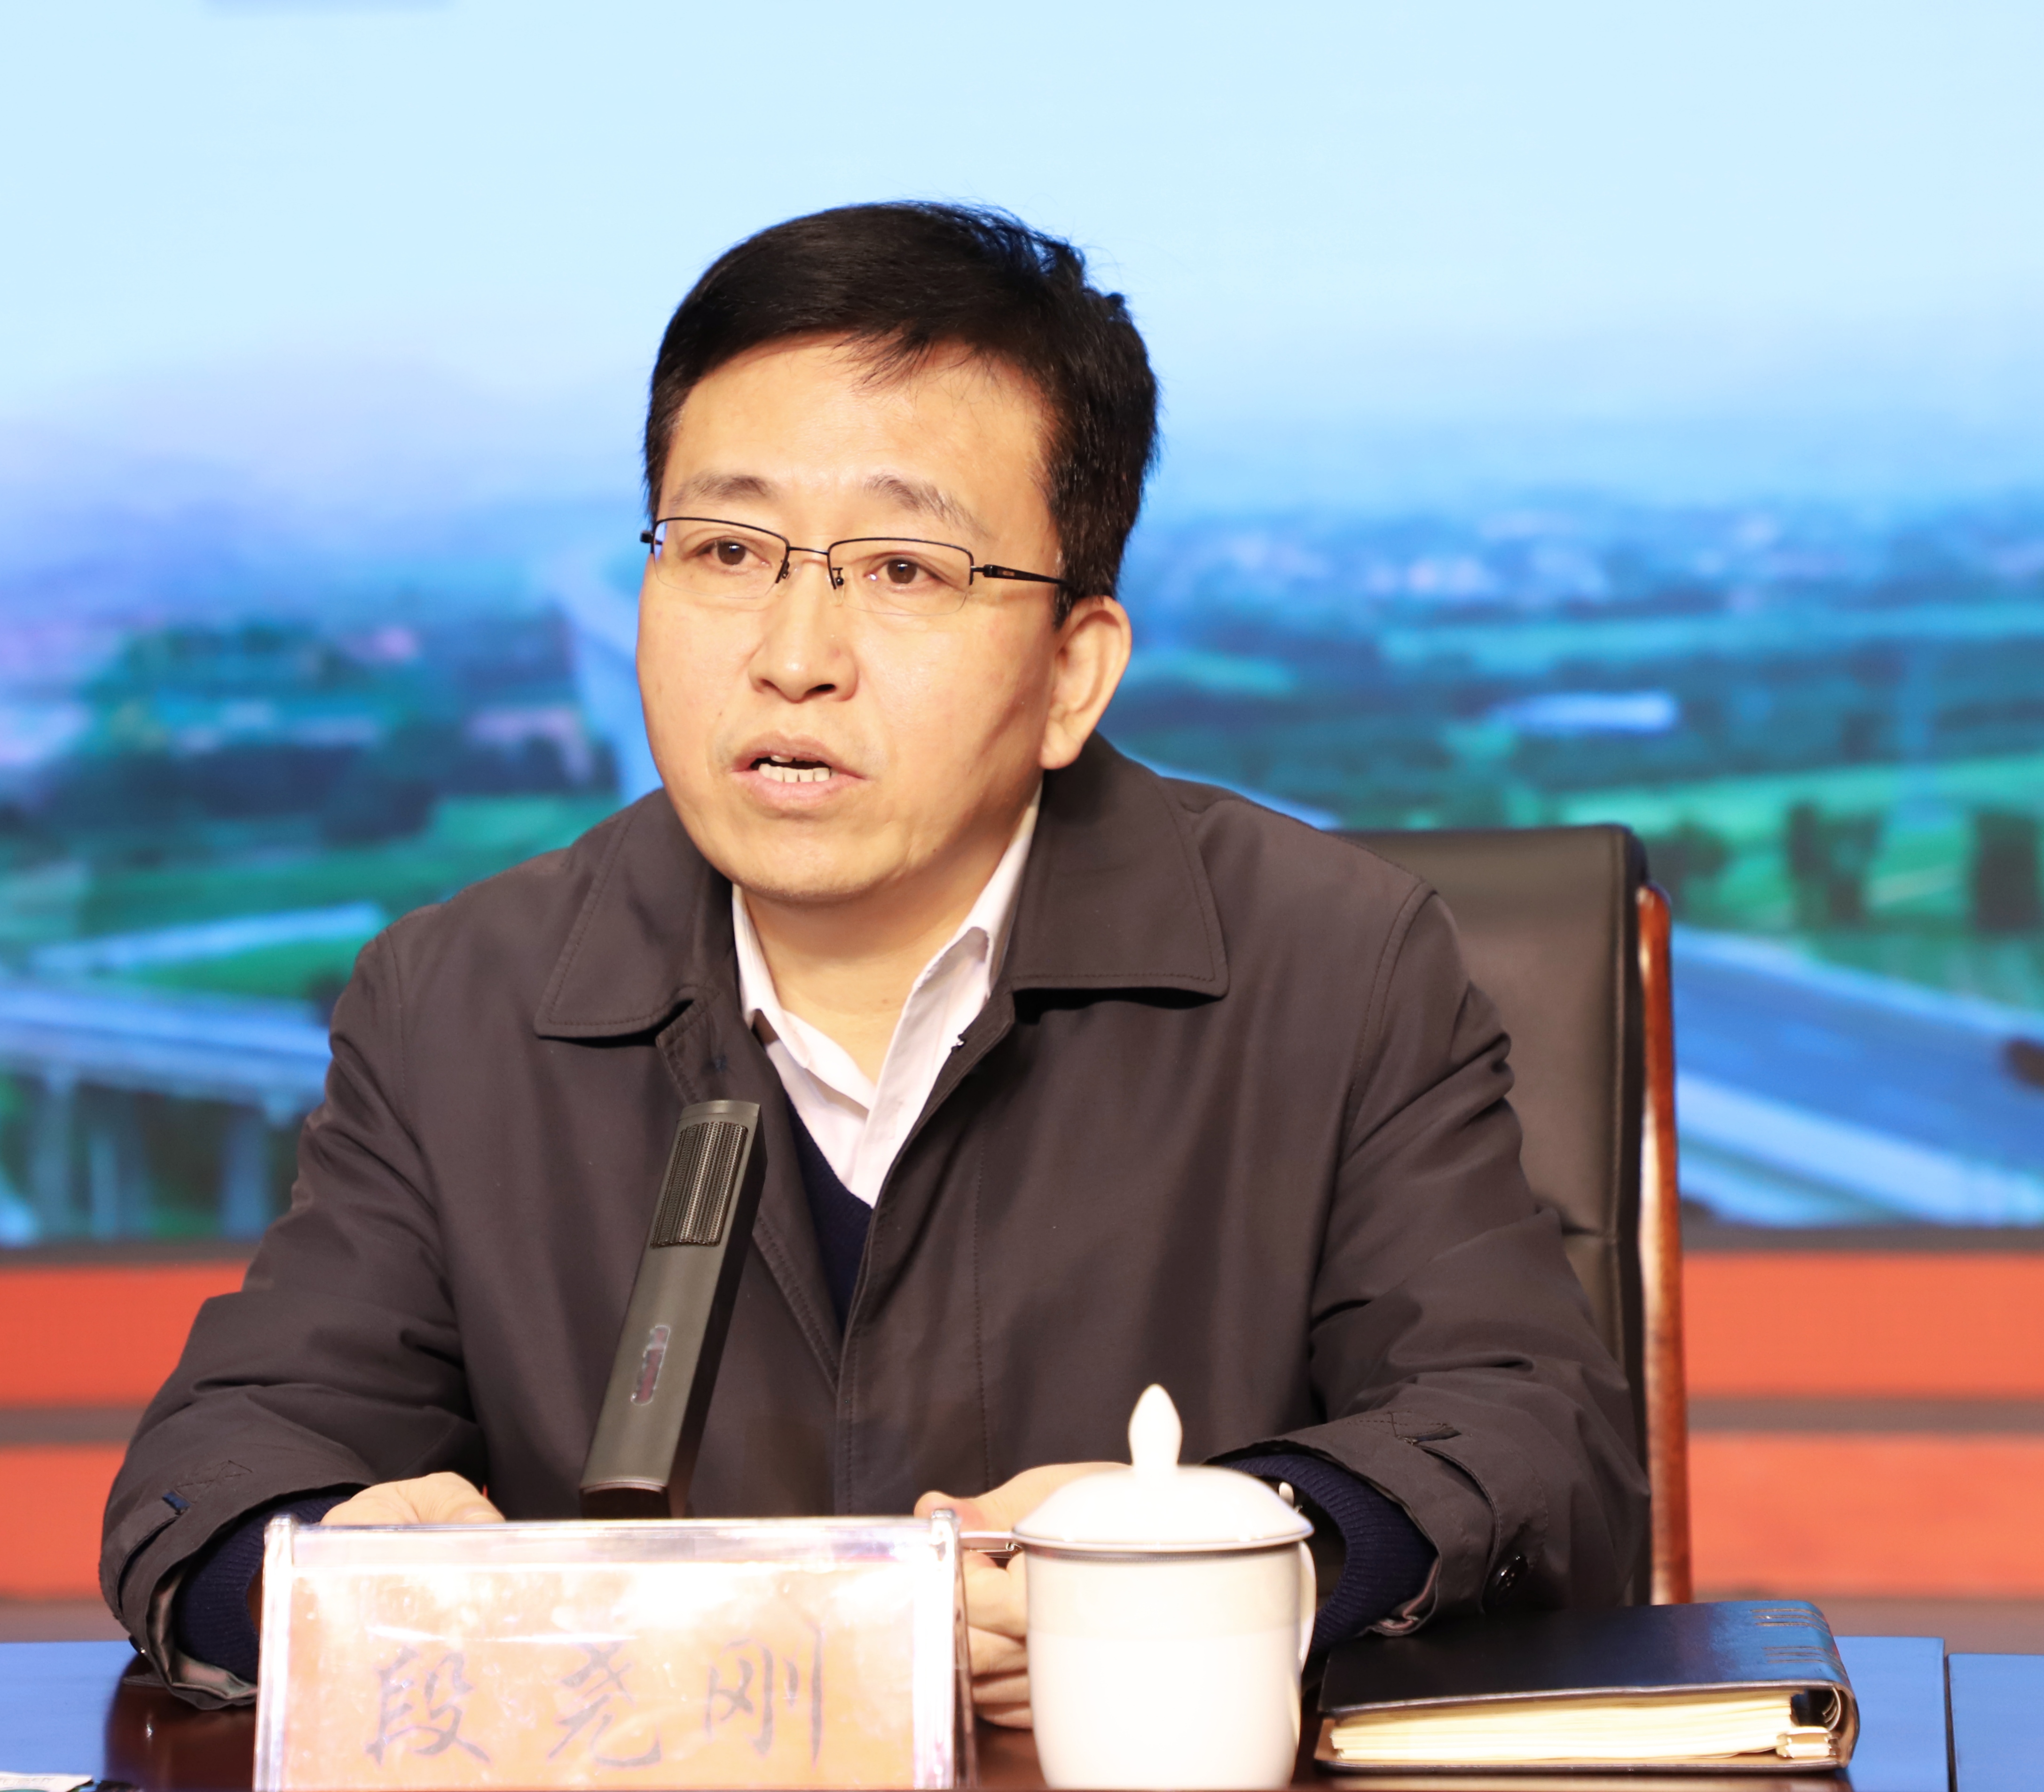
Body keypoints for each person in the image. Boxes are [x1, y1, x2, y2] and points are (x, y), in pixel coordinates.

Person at [102, 202, 1646, 1716]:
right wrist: (351, 1577)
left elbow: (1530, 1443)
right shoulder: (457, 1001)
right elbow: (209, 1485)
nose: (792, 657)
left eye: (903, 570)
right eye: (725, 549)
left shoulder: (1335, 963)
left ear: (1071, 672)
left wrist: (1215, 1560)